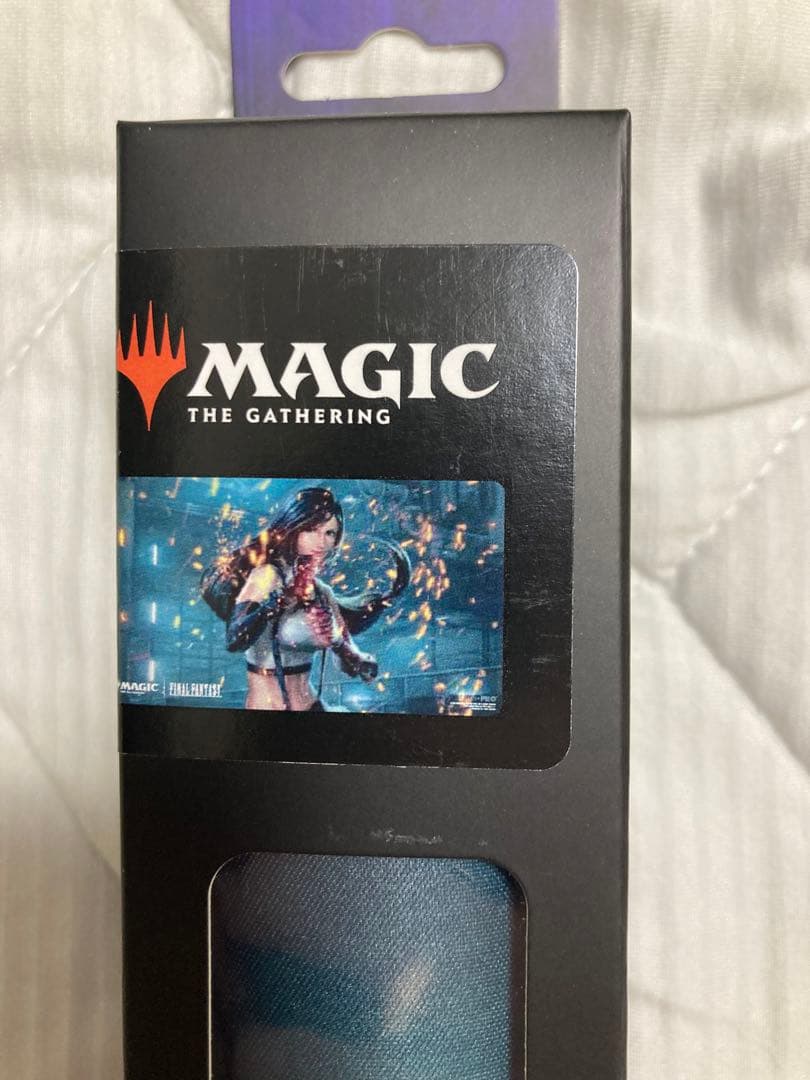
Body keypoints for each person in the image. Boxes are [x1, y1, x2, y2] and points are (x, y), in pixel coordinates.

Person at [223, 487, 408, 712]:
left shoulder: (322, 592)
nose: (321, 542)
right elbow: (235, 639)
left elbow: (349, 662)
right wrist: (277, 604)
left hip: (313, 707)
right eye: (312, 530)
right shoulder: (268, 576)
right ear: (293, 528)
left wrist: (354, 657)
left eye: (329, 533)